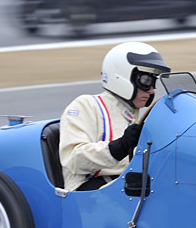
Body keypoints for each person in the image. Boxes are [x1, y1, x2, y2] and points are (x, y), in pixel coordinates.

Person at [59, 41, 171, 191]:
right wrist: (120, 146)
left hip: (128, 188)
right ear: (122, 76)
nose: (151, 90)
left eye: (153, 82)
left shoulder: (135, 115)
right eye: (145, 81)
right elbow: (73, 159)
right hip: (91, 192)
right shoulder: (85, 105)